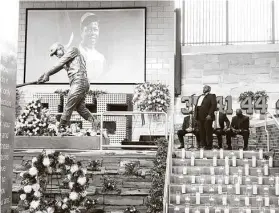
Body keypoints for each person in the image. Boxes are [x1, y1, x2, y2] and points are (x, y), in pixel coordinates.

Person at [37, 43, 99, 132]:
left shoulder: (73, 50)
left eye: (55, 53)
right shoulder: (66, 60)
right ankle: (96, 123)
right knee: (80, 108)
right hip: (78, 82)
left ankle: (62, 127)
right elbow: (57, 67)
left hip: (79, 81)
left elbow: (59, 63)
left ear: (61, 48)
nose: (56, 56)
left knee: (69, 106)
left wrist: (47, 73)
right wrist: (43, 76)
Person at [79, 12, 107, 82]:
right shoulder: (75, 54)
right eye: (88, 29)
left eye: (95, 29)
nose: (93, 33)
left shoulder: (101, 58)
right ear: (81, 32)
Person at [195, 85, 217, 150]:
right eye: (203, 87)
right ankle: (203, 144)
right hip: (199, 116)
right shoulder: (200, 96)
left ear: (209, 89)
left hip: (207, 116)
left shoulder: (212, 96)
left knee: (208, 131)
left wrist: (210, 114)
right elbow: (197, 106)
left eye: (205, 88)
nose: (204, 88)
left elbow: (213, 105)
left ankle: (209, 145)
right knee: (201, 131)